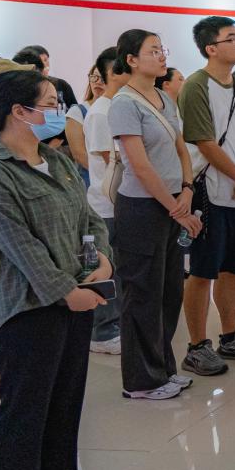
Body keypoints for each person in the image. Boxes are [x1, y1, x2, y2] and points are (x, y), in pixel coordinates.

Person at [0, 70, 111, 470]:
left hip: (76, 296)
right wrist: (65, 290)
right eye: (50, 103)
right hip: (24, 306)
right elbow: (19, 246)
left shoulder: (57, 161)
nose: (58, 112)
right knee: (24, 410)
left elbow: (89, 217)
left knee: (64, 401)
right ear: (19, 111)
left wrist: (102, 260)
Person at [110, 30, 203, 400]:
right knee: (142, 295)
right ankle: (140, 381)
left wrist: (187, 188)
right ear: (131, 60)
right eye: (153, 51)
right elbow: (140, 166)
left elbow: (181, 148)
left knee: (168, 293)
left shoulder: (164, 97)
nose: (162, 56)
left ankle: (163, 369)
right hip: (142, 208)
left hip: (172, 203)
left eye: (162, 49)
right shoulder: (124, 103)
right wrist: (176, 208)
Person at [177, 16, 235, 376]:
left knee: (232, 270)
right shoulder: (196, 86)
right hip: (208, 192)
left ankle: (231, 336)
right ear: (211, 48)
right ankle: (197, 346)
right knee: (202, 272)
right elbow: (204, 142)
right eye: (231, 38)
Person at [83, 48, 127, 355]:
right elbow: (110, 158)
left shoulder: (117, 105)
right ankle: (102, 332)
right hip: (106, 204)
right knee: (107, 269)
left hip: (121, 203)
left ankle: (115, 325)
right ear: (113, 73)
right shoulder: (101, 112)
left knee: (121, 269)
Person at [64, 64, 106, 188]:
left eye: (103, 78)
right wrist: (106, 176)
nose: (97, 82)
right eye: (94, 77)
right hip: (91, 180)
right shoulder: (78, 112)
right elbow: (79, 154)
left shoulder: (118, 109)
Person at [15, 45, 79, 111]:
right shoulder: (19, 88)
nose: (47, 64)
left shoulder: (61, 84)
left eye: (47, 60)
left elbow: (76, 112)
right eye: (44, 60)